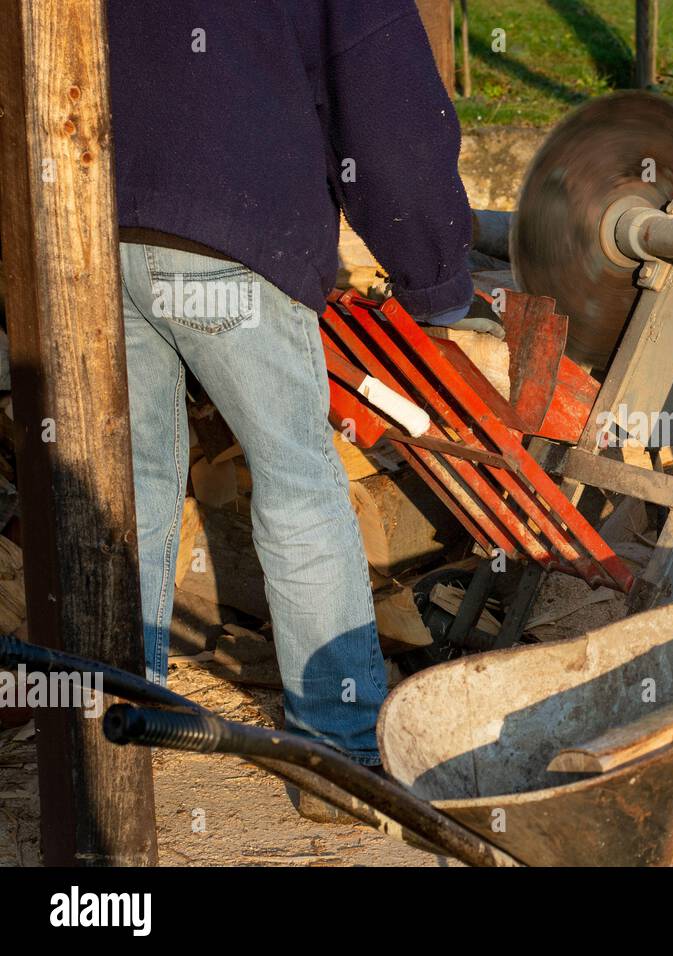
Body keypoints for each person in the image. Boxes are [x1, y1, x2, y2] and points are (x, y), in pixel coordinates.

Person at [106, 0, 472, 815]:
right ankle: (334, 753)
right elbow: (389, 110)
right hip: (236, 233)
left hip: (102, 223)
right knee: (297, 483)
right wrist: (436, 274)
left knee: (134, 479)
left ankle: (125, 714)